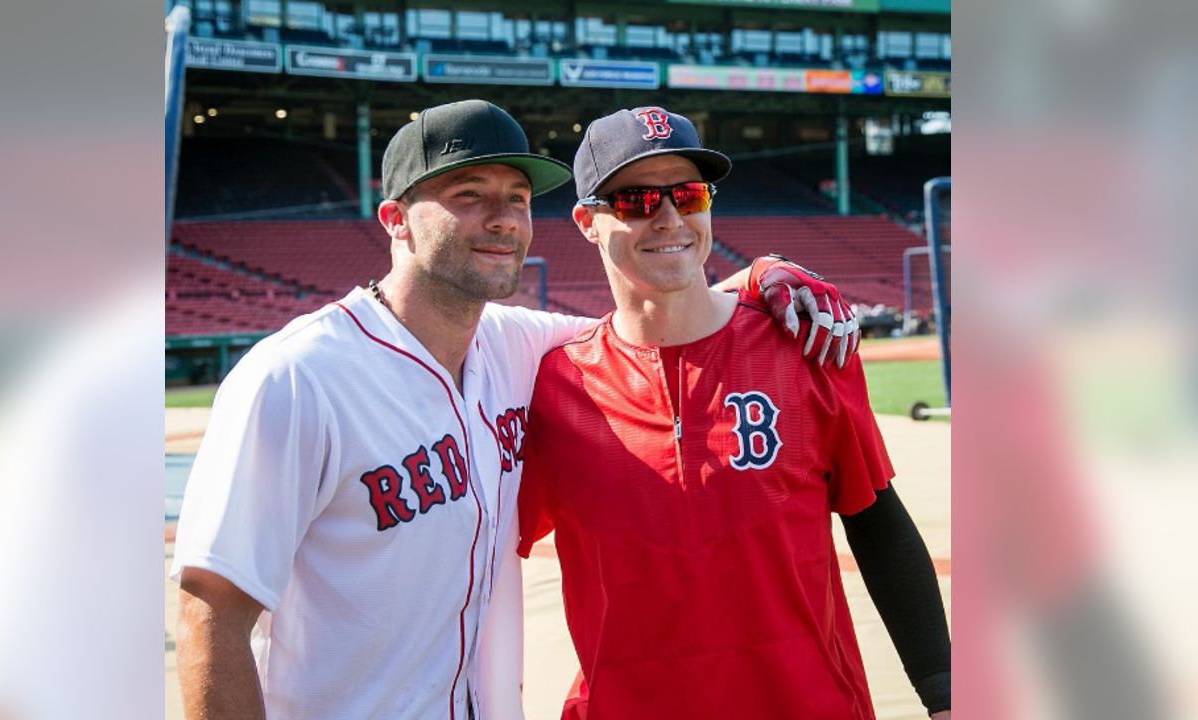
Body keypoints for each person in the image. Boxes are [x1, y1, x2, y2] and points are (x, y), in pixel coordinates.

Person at [171, 99, 857, 720]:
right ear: (395, 220)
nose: (501, 219)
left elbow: (659, 304)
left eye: (518, 198)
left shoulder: (520, 345)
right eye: (468, 195)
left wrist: (767, 272)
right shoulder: (298, 377)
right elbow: (211, 609)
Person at [516, 106, 951, 719]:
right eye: (637, 200)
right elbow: (477, 558)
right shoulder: (551, 389)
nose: (669, 217)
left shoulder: (807, 347)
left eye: (689, 195)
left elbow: (877, 523)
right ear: (587, 221)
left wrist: (944, 695)